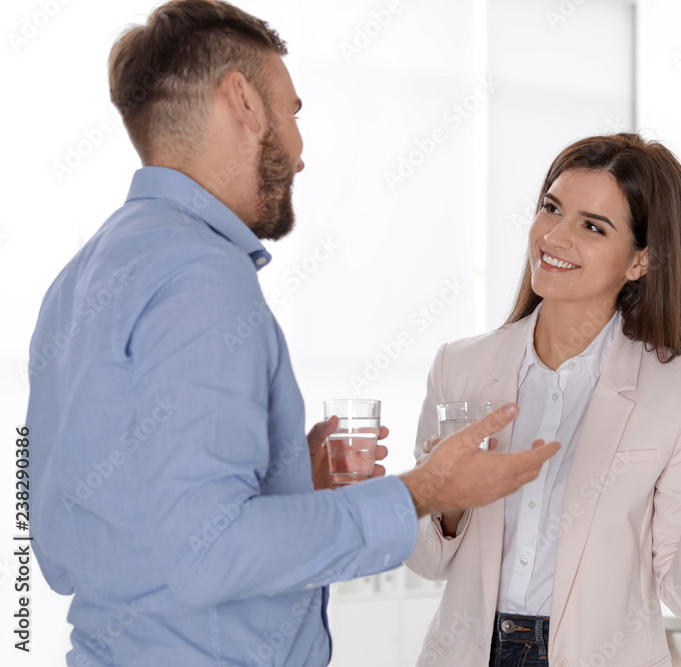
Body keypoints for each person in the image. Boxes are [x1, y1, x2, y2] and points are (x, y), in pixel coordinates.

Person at [25, 2, 558, 665]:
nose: (301, 153)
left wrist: (283, 482)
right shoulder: (202, 276)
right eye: (293, 111)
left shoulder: (79, 281)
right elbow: (211, 553)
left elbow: (61, 549)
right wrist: (428, 489)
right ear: (243, 101)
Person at [405, 133, 681, 666]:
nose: (555, 236)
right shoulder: (458, 367)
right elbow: (427, 560)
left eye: (592, 226)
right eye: (551, 208)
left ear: (640, 261)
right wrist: (449, 498)